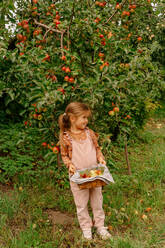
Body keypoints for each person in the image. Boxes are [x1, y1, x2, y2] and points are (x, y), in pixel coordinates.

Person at [58, 102, 111, 240]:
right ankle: (86, 228)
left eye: (87, 118)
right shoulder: (66, 137)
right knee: (81, 204)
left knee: (97, 201)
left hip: (94, 174)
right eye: (84, 117)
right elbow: (64, 155)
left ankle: (100, 226)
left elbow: (97, 148)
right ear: (72, 118)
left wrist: (100, 158)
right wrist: (69, 164)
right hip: (78, 176)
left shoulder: (89, 133)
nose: (86, 121)